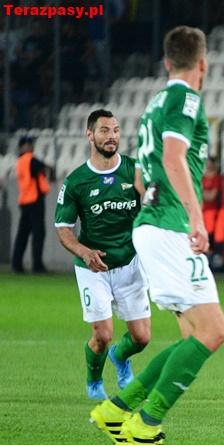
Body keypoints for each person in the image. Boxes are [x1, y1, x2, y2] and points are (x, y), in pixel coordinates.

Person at [89, 26, 224, 445]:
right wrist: (196, 216)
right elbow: (172, 158)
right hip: (170, 227)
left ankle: (116, 410)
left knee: (194, 336)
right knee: (213, 332)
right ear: (202, 63)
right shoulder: (186, 99)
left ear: (167, 62)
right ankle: (146, 424)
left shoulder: (153, 104)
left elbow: (140, 175)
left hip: (151, 224)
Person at [54, 109, 151, 401]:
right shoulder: (76, 181)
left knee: (142, 338)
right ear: (90, 134)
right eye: (105, 130)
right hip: (93, 268)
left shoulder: (134, 171)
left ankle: (119, 357)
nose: (112, 136)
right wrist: (84, 253)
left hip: (130, 263)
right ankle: (94, 382)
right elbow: (63, 228)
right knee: (103, 335)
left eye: (116, 130)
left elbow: (154, 204)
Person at [11, 135, 53, 273]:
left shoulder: (20, 161)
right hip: (34, 200)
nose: (31, 146)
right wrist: (50, 170)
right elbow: (45, 167)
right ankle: (37, 265)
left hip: (25, 200)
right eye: (29, 144)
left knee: (23, 234)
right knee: (38, 233)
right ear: (22, 146)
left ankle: (16, 264)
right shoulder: (30, 159)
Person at [202, 157, 221, 247]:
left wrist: (201, 193)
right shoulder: (203, 178)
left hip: (212, 210)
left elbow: (211, 197)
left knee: (210, 233)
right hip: (202, 210)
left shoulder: (216, 178)